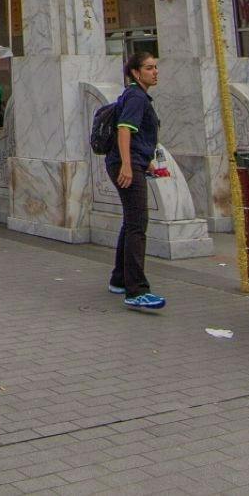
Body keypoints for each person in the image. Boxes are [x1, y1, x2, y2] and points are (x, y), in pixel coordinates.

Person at [108, 52, 165, 311]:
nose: (154, 72)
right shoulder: (135, 96)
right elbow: (124, 129)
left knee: (131, 222)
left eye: (155, 67)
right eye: (149, 68)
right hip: (125, 164)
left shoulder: (137, 96)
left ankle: (120, 279)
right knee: (137, 226)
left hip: (133, 161)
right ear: (135, 72)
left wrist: (145, 160)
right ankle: (136, 290)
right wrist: (129, 165)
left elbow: (137, 134)